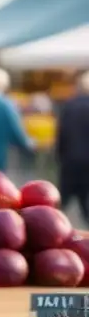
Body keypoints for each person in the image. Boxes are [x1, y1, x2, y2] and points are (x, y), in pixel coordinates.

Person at [57, 71, 89, 219]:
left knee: (60, 203)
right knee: (85, 202)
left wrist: (59, 155)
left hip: (70, 160)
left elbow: (62, 133)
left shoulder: (70, 105)